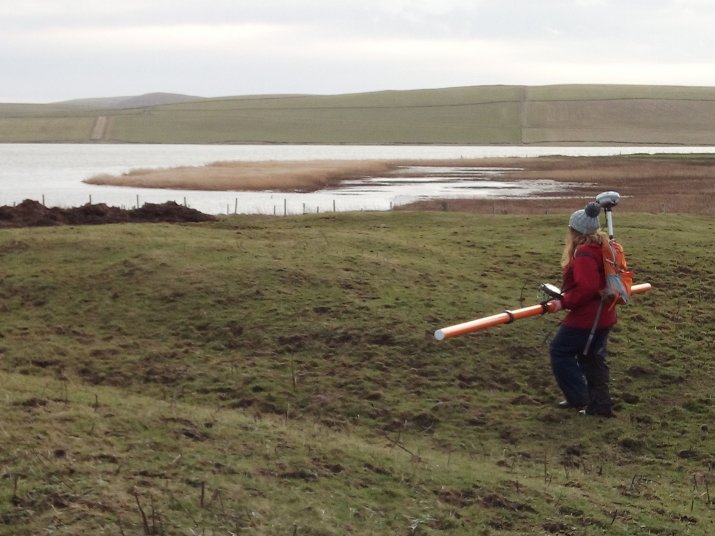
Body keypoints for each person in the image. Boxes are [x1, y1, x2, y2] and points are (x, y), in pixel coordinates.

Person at [547, 201, 616, 417]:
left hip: (589, 318)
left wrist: (563, 302)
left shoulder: (585, 253)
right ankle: (598, 403)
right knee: (592, 358)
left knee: (560, 350)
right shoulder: (602, 247)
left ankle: (580, 398)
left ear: (576, 231)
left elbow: (586, 288)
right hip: (603, 314)